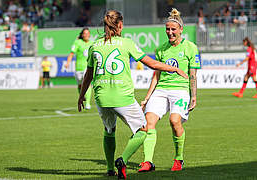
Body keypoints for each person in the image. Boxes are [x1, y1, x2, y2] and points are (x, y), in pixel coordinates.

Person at [77, 10, 188, 179]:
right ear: (120, 25)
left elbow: (89, 74)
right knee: (144, 129)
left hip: (101, 97)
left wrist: (81, 96)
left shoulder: (94, 45)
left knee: (109, 130)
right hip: (122, 97)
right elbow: (151, 63)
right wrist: (174, 68)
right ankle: (123, 159)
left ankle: (109, 168)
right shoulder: (126, 43)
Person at [138, 8, 200, 172]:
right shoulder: (161, 49)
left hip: (180, 90)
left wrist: (194, 96)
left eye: (173, 29)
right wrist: (147, 97)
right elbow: (156, 76)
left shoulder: (191, 48)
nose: (170, 32)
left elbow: (192, 74)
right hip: (161, 90)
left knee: (174, 121)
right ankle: (148, 162)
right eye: (167, 29)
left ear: (181, 29)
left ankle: (179, 158)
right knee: (148, 123)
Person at [65, 27, 93, 109]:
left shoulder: (92, 43)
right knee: (80, 85)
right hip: (78, 68)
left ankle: (88, 103)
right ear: (82, 35)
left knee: (88, 84)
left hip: (87, 67)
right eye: (85, 33)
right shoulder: (78, 42)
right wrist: (67, 63)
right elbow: (71, 53)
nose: (86, 35)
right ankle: (82, 97)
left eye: (88, 33)